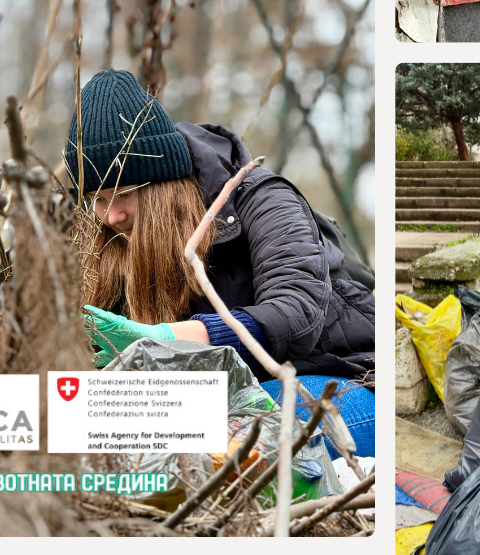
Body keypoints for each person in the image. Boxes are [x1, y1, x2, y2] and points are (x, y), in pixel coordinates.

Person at [67, 71, 374, 413]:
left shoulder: (263, 200)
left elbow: (294, 312)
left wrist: (168, 342)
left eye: (123, 194)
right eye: (96, 198)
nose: (110, 216)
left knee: (252, 429)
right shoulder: (107, 240)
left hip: (338, 376)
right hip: (217, 394)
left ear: (164, 185)